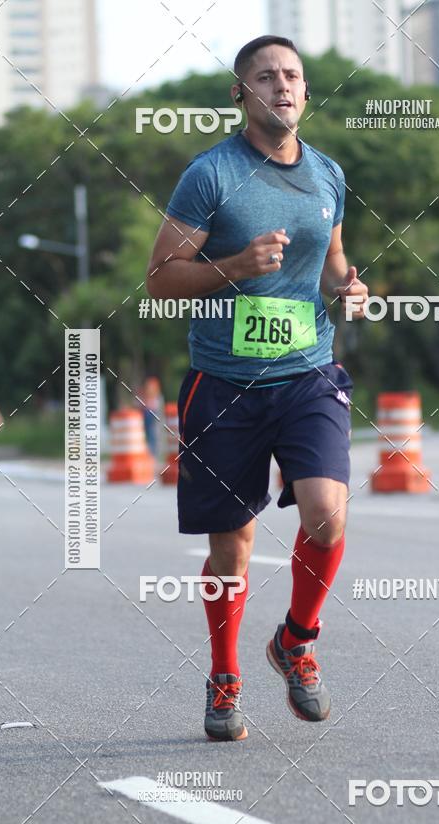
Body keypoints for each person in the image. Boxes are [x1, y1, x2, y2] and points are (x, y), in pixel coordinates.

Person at [146, 35, 368, 741]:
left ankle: (296, 641)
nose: (283, 85)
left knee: (328, 513)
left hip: (308, 373)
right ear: (241, 93)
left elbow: (331, 262)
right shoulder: (210, 175)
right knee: (231, 548)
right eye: (266, 76)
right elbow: (160, 278)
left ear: (305, 90)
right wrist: (237, 265)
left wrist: (349, 287)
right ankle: (224, 677)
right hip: (224, 385)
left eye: (293, 75)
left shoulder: (328, 174)